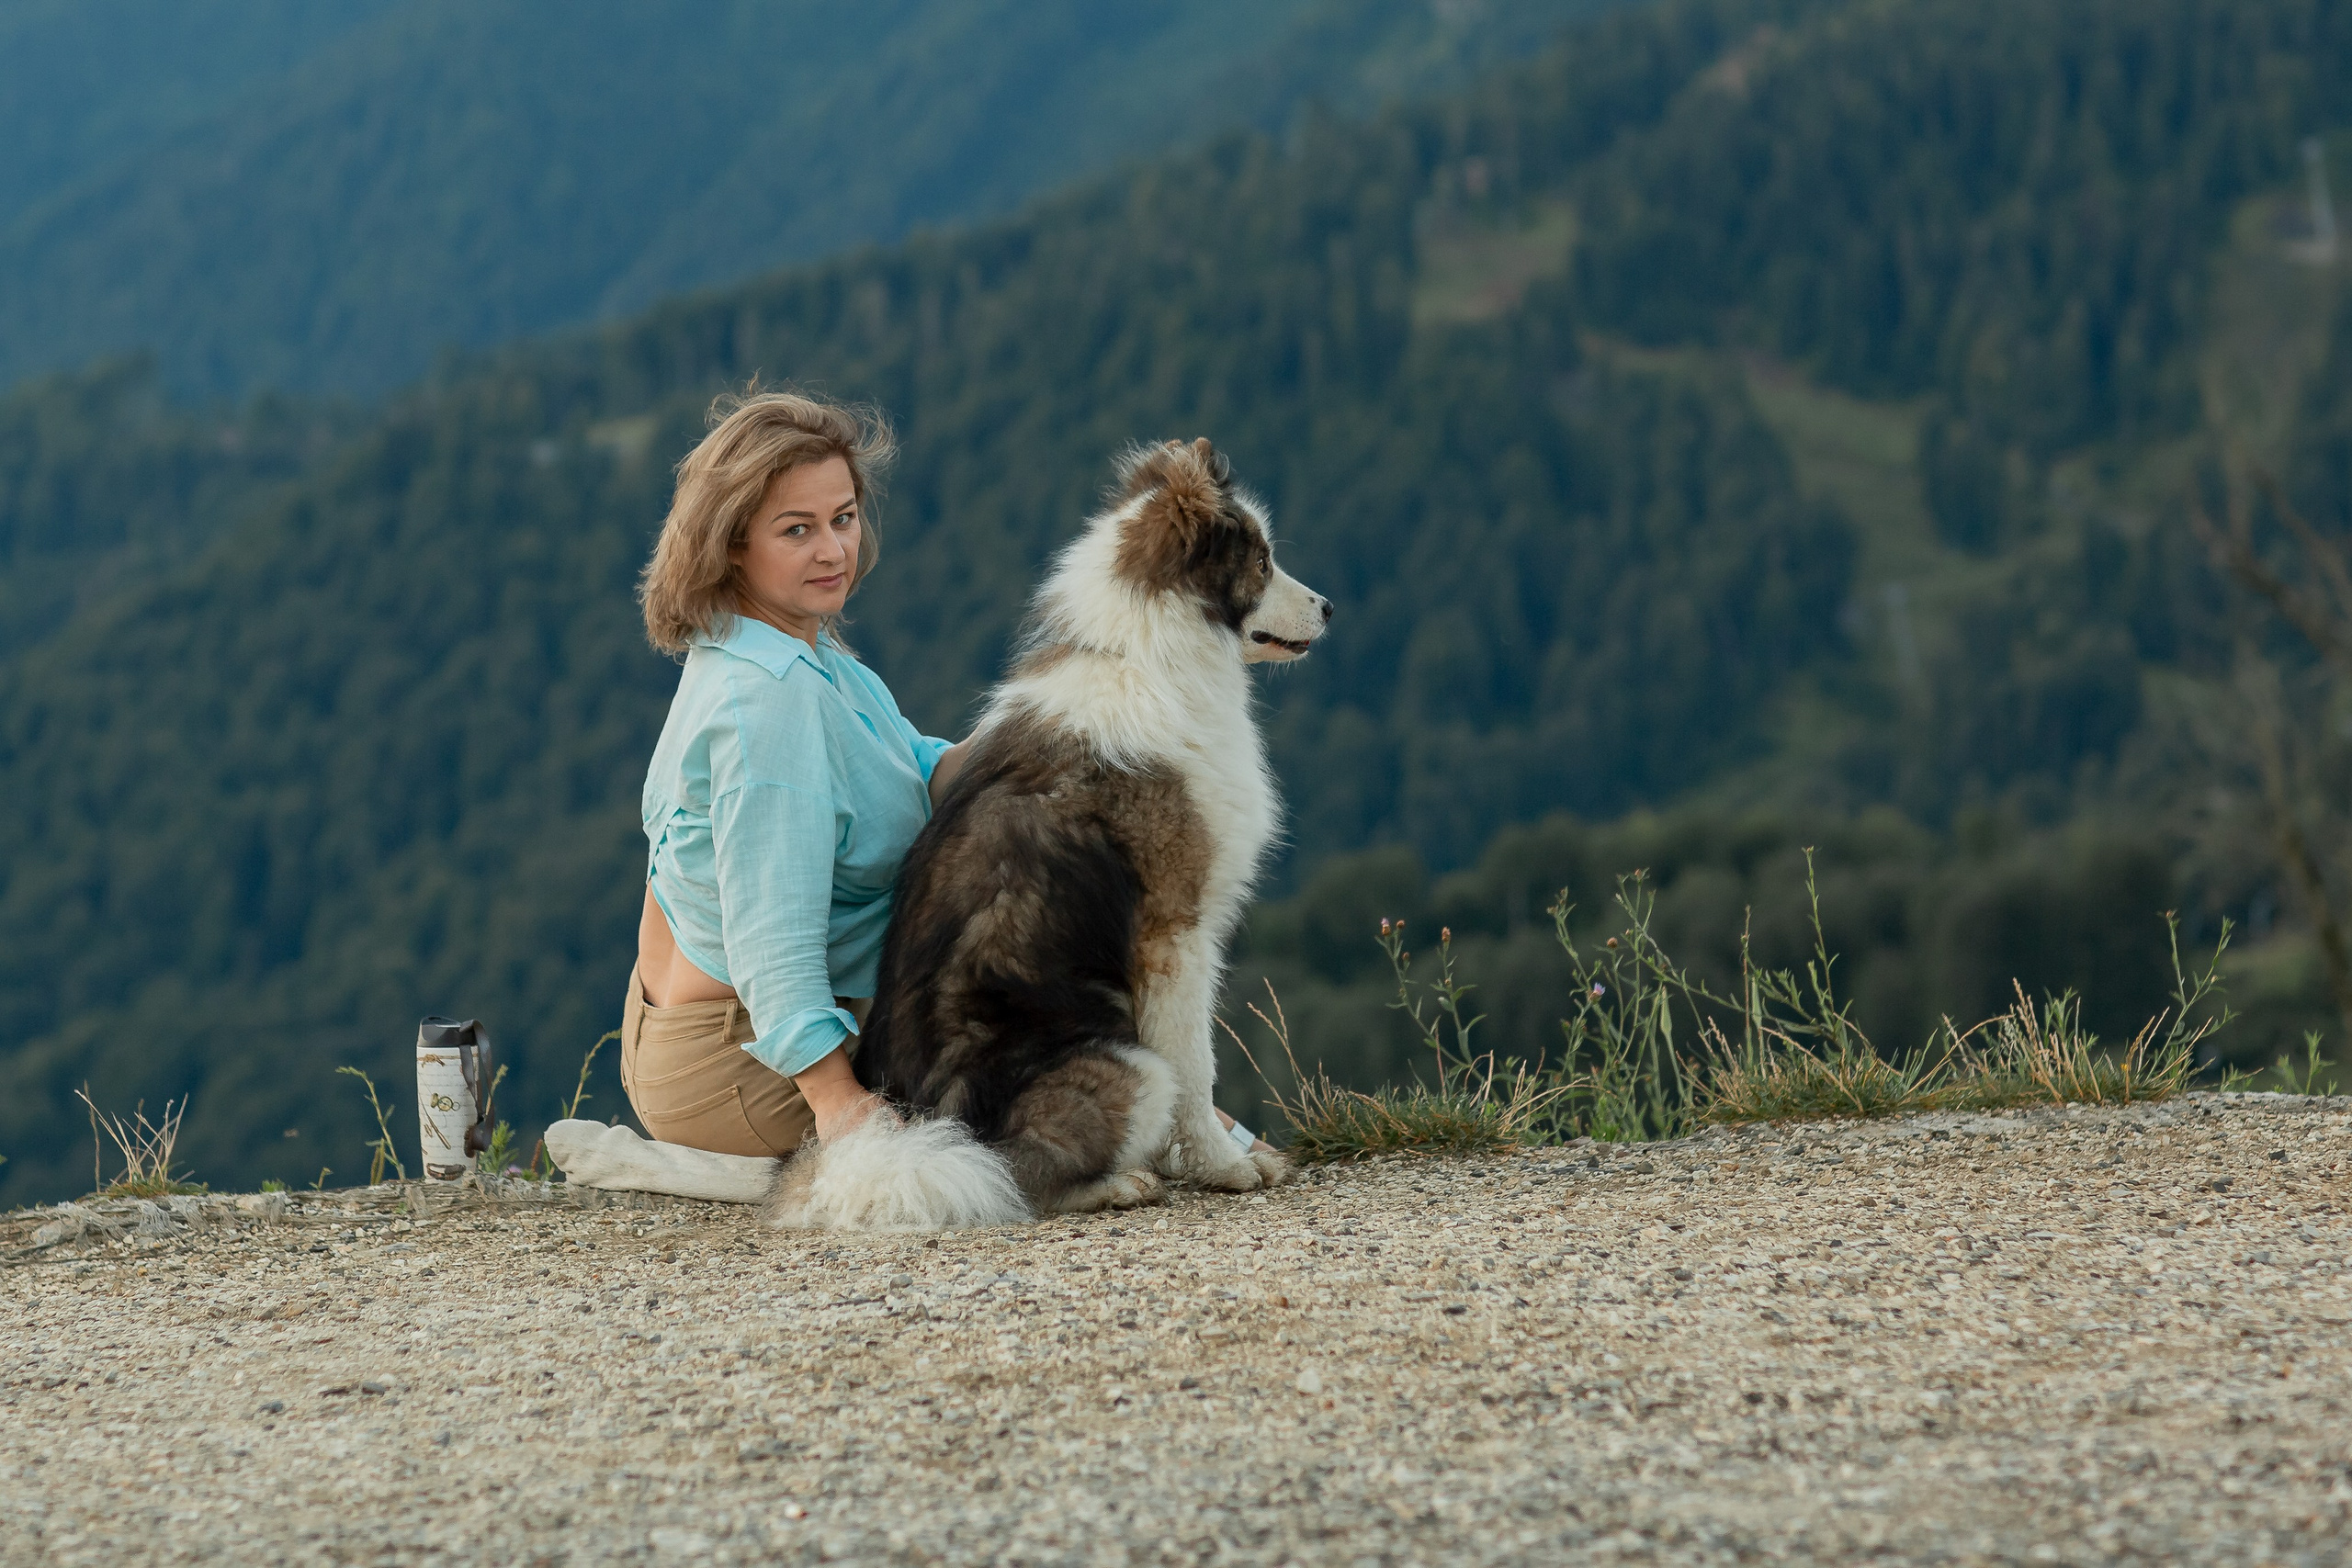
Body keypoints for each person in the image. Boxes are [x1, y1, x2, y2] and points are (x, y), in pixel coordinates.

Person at [626, 389, 952, 1156]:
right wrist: (840, 1104)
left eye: (843, 517)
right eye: (797, 530)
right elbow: (771, 936)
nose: (835, 549)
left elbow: (917, 766)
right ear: (733, 543)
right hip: (734, 1063)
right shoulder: (765, 703)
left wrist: (1051, 730)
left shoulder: (796, 652)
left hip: (706, 1039)